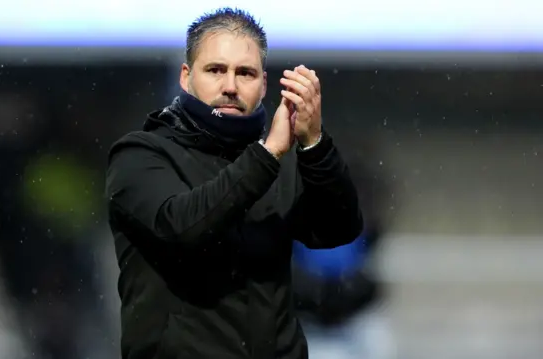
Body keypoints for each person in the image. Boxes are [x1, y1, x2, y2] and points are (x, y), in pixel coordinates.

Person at [105, 7, 363, 359]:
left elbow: (338, 228)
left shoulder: (278, 160)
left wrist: (314, 144)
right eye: (215, 70)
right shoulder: (140, 155)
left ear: (264, 85)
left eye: (245, 73)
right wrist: (268, 153)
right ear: (186, 77)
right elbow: (184, 228)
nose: (230, 86)